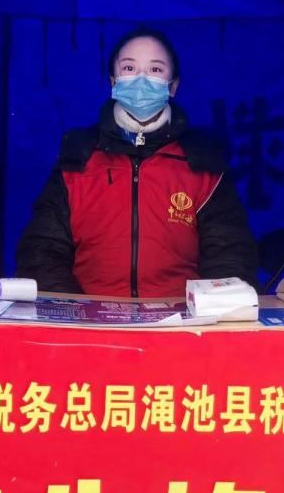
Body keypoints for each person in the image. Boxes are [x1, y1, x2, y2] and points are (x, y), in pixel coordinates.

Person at [16, 28, 257, 297]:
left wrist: (207, 309)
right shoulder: (79, 155)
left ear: (173, 86)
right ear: (113, 81)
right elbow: (42, 250)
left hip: (181, 317)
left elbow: (230, 253)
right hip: (89, 315)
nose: (141, 79)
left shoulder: (202, 160)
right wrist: (77, 309)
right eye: (129, 68)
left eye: (155, 70)